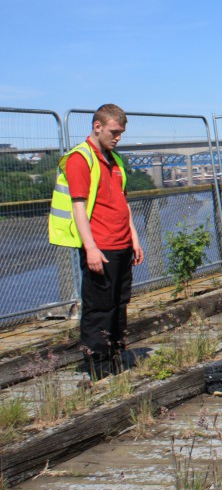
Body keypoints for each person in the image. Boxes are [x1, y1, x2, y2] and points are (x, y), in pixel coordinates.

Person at [48, 104, 144, 380]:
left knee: (119, 303)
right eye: (114, 132)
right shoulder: (81, 159)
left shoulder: (115, 160)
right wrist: (90, 247)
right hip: (100, 246)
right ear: (97, 126)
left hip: (122, 244)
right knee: (99, 307)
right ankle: (97, 364)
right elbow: (79, 206)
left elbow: (121, 203)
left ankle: (115, 355)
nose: (118, 138)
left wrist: (134, 239)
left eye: (121, 133)